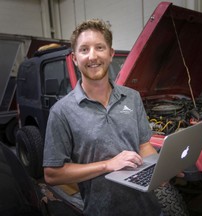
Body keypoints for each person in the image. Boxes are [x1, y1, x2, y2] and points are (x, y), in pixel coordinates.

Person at [42, 19, 162, 216]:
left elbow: (143, 145)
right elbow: (52, 174)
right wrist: (107, 165)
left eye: (99, 47)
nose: (93, 56)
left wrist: (159, 170)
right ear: (74, 58)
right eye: (84, 49)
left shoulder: (132, 97)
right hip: (103, 210)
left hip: (149, 208)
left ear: (111, 53)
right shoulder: (62, 112)